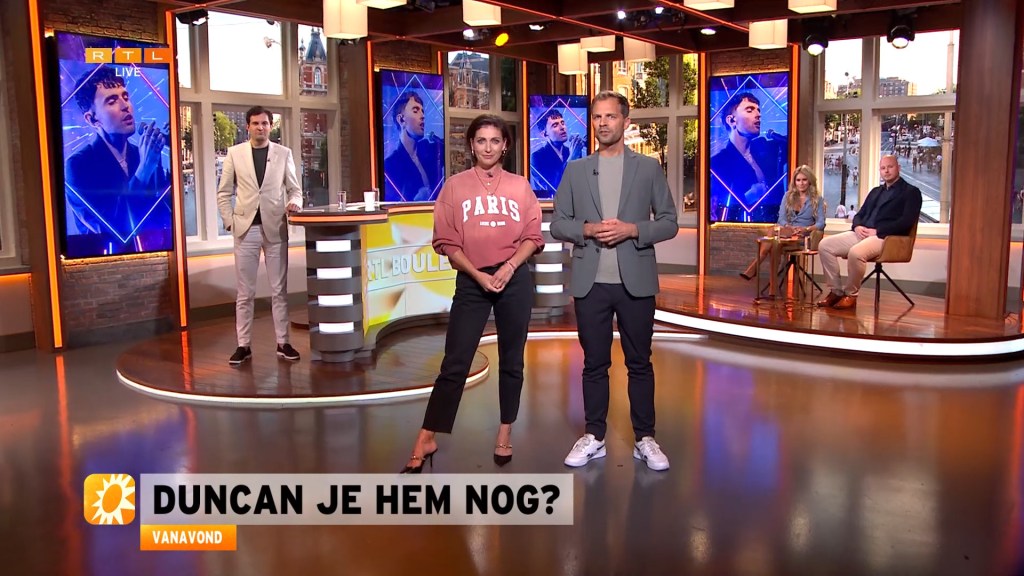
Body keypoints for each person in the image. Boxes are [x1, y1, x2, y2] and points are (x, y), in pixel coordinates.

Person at [400, 114, 544, 474]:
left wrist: (509, 267)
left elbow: (532, 235)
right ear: (471, 145)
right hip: (471, 280)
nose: (488, 148)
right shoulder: (455, 186)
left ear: (505, 145)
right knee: (456, 361)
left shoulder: (520, 186)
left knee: (512, 359)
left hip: (514, 279)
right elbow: (446, 240)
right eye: (481, 141)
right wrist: (478, 275)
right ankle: (426, 436)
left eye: (495, 141)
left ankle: (505, 430)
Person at [550, 91, 678, 471]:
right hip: (590, 282)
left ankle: (645, 438)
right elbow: (558, 224)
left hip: (635, 281)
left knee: (640, 362)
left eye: (610, 116)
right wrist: (588, 229)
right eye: (597, 117)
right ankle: (595, 436)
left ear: (625, 121)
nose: (602, 123)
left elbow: (669, 222)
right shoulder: (576, 170)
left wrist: (632, 229)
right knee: (594, 363)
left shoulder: (648, 168)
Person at [217, 106, 303, 365]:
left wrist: (295, 203)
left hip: (275, 228)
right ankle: (243, 345)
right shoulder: (235, 153)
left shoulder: (283, 154)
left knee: (279, 291)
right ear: (248, 126)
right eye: (256, 123)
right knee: (245, 293)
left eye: (265, 123)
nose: (260, 127)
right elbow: (223, 193)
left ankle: (283, 343)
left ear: (270, 126)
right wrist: (229, 222)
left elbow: (295, 189)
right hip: (245, 230)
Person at [64, 65, 170, 252]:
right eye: (112, 101)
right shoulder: (78, 165)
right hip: (102, 259)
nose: (125, 106)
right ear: (92, 119)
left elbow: (163, 215)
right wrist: (144, 171)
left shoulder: (143, 153)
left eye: (125, 97)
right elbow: (113, 227)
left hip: (154, 252)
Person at [816, 155, 922, 310]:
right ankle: (836, 291)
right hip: (862, 232)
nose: (886, 171)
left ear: (898, 168)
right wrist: (857, 226)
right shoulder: (876, 191)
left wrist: (878, 231)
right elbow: (860, 214)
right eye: (883, 168)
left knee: (856, 253)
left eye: (890, 167)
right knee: (825, 245)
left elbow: (906, 222)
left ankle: (851, 295)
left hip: (885, 237)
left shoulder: (911, 192)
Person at [709, 91, 787, 222]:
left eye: (758, 110)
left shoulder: (765, 148)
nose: (758, 115)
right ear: (731, 120)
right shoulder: (719, 163)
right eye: (750, 110)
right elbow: (719, 207)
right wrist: (749, 196)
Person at [740, 165, 826, 281]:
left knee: (774, 242)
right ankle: (771, 283)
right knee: (775, 237)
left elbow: (821, 223)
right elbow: (781, 218)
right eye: (798, 180)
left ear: (810, 181)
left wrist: (806, 229)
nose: (801, 183)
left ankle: (758, 270)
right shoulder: (787, 196)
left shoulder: (817, 199)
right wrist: (788, 226)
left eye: (804, 180)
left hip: (802, 237)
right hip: (787, 232)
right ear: (794, 182)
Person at [383, 90, 444, 202]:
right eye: (416, 111)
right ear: (401, 120)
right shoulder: (391, 165)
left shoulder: (429, 150)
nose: (422, 116)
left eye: (422, 111)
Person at [530, 109, 586, 192]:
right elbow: (552, 188)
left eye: (562, 123)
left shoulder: (571, 151)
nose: (562, 127)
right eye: (555, 125)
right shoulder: (537, 157)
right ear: (544, 134)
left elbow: (581, 184)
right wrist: (572, 158)